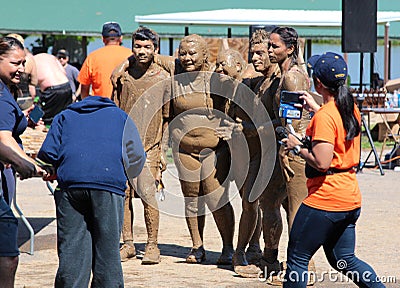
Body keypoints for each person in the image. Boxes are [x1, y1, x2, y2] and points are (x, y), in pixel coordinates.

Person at [282, 52, 384, 288]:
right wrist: (317, 106)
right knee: (344, 260)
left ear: (318, 83)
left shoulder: (326, 117)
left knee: (297, 260)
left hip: (326, 200)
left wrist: (296, 147)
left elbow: (321, 162)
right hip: (349, 198)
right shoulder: (349, 107)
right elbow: (335, 122)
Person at [37, 94, 146, 287]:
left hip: (71, 187)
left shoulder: (65, 116)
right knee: (108, 250)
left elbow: (48, 153)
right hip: (108, 186)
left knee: (71, 248)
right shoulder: (120, 117)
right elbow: (136, 156)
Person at [111, 26, 170, 264]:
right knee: (123, 194)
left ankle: (152, 245)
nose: (142, 51)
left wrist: (163, 151)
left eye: (147, 47)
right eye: (138, 46)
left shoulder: (164, 79)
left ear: (156, 49)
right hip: (125, 144)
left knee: (148, 195)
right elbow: (114, 111)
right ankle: (128, 243)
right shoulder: (123, 77)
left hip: (151, 145)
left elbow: (167, 119)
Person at [0, 36, 44, 288]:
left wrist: (24, 120)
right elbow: (3, 138)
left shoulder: (7, 90)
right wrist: (25, 163)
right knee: (7, 255)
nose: (21, 68)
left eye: (24, 62)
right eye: (15, 62)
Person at [78, 21, 132, 99]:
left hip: (101, 105)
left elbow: (84, 87)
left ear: (103, 39)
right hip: (124, 105)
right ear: (120, 38)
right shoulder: (130, 55)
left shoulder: (93, 57)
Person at [33, 53, 73, 126]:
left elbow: (32, 86)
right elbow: (64, 72)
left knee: (46, 118)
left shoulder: (32, 61)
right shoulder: (51, 57)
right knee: (65, 116)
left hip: (52, 90)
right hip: (66, 86)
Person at [6, 33, 38, 101]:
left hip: (8, 96)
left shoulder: (4, 60)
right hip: (25, 97)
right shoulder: (30, 60)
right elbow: (33, 83)